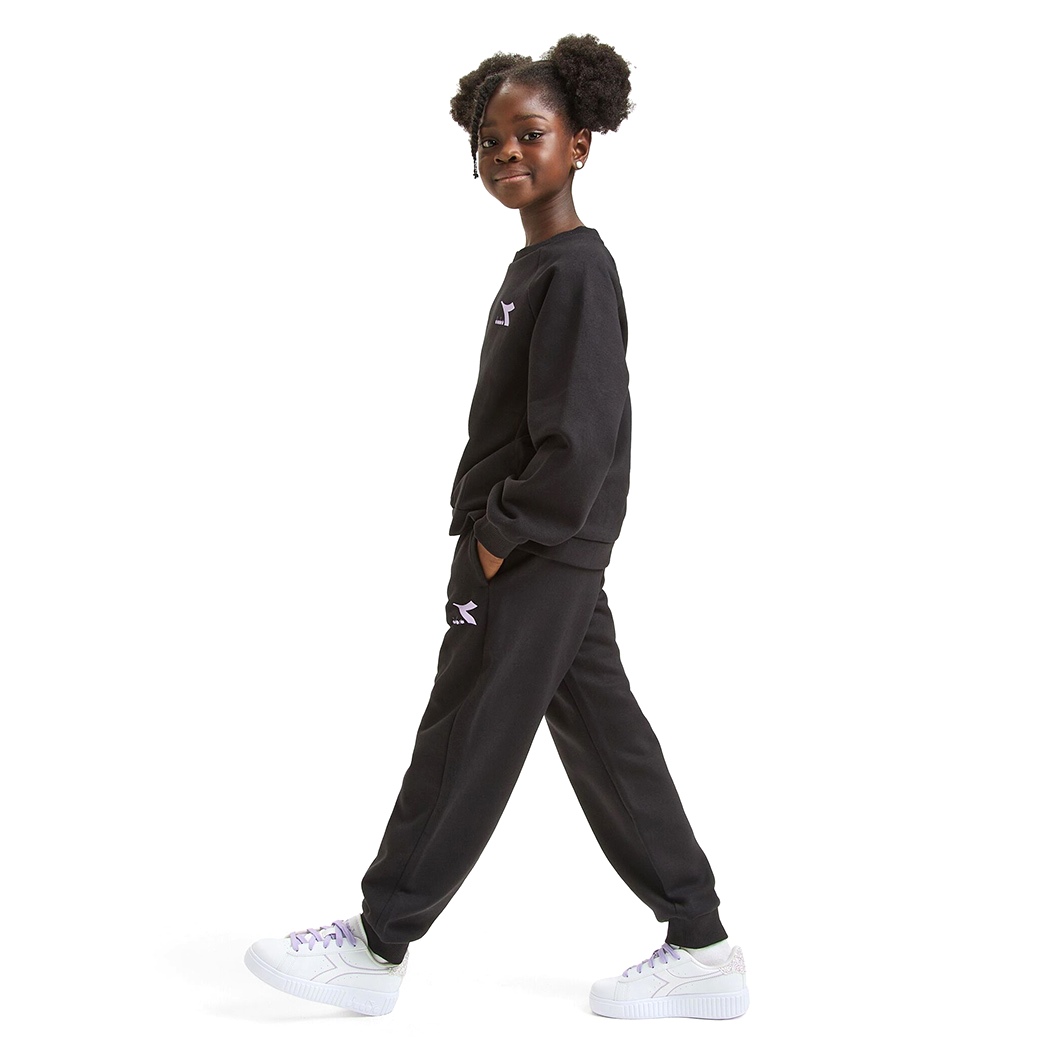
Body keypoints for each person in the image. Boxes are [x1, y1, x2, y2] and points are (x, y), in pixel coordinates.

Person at [244, 33, 748, 1021]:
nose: (507, 151)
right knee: (607, 741)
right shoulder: (540, 267)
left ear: (580, 143)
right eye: (489, 139)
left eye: (531, 133)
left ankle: (377, 944)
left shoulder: (578, 271)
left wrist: (496, 538)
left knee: (465, 734)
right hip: (547, 553)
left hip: (532, 553)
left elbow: (579, 441)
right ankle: (701, 944)